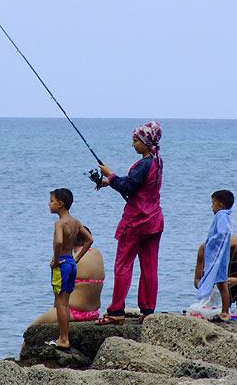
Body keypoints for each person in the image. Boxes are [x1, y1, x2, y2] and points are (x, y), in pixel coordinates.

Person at [95, 121, 164, 325]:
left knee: (123, 265)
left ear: (145, 142)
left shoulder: (143, 164)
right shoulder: (156, 162)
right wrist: (111, 182)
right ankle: (148, 310)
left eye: (135, 140)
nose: (132, 144)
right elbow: (137, 183)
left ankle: (116, 311)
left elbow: (128, 187)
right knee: (150, 267)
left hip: (136, 222)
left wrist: (110, 175)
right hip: (154, 220)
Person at [45, 188, 94, 351]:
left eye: (51, 201)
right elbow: (89, 239)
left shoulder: (60, 223)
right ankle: (64, 337)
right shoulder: (76, 222)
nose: (49, 204)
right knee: (65, 302)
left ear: (60, 204)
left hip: (62, 263)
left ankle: (64, 338)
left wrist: (56, 259)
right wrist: (77, 258)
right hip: (71, 264)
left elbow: (59, 241)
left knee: (60, 303)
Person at [29, 227, 105, 325]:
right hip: (94, 313)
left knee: (31, 330)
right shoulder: (97, 254)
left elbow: (59, 297)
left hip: (73, 312)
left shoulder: (68, 262)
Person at [195, 190, 234, 323]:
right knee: (221, 282)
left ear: (221, 205)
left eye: (213, 203)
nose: (212, 206)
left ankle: (225, 312)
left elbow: (224, 232)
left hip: (219, 255)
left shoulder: (221, 215)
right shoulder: (224, 215)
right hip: (221, 255)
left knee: (222, 283)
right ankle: (225, 310)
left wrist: (211, 242)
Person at [194, 235, 237, 315]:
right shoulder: (204, 250)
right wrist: (208, 286)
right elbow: (197, 280)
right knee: (214, 307)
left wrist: (234, 281)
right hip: (219, 276)